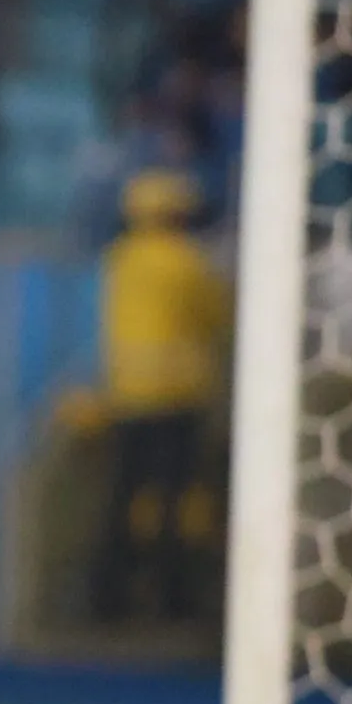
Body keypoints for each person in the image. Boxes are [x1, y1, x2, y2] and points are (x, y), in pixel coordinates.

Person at [90, 169, 229, 623]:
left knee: (121, 495)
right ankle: (173, 598)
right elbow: (218, 315)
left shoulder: (121, 259)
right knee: (174, 500)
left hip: (126, 394)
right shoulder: (188, 261)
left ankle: (108, 597)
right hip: (177, 396)